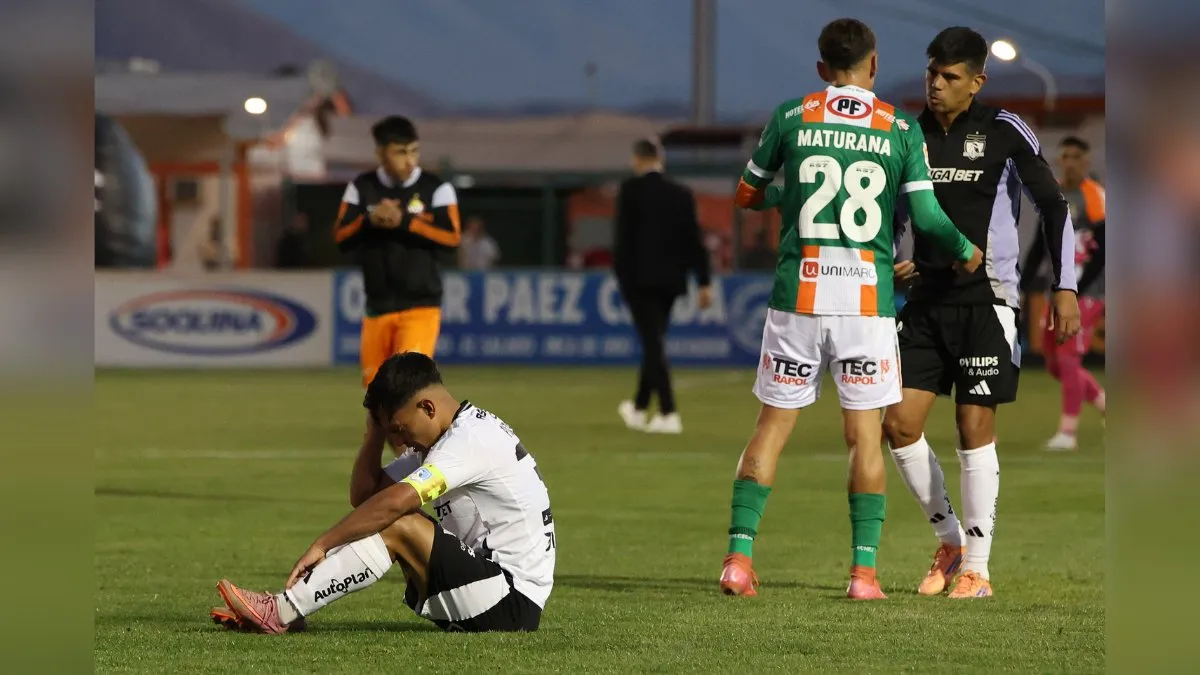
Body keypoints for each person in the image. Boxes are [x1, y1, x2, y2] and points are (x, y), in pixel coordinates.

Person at [719, 18, 983, 600]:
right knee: (865, 438)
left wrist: (789, 193)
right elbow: (931, 220)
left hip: (798, 299)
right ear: (875, 64)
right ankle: (863, 575)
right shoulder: (897, 127)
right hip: (865, 303)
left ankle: (738, 561)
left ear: (821, 69)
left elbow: (745, 195)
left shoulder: (792, 115)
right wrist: (967, 251)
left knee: (771, 429)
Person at [881, 27, 1082, 600]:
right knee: (897, 424)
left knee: (973, 428)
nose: (936, 86)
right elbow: (897, 213)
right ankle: (950, 541)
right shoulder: (907, 134)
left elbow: (1052, 205)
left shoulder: (1004, 130)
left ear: (976, 81)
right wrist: (902, 258)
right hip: (924, 303)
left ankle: (978, 568)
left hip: (986, 300)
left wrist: (1064, 286)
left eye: (949, 77)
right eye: (931, 74)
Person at [211, 352, 556, 634]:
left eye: (401, 430)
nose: (401, 443)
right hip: (490, 588)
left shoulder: (469, 441)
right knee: (385, 514)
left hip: (511, 602)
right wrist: (375, 430)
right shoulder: (444, 438)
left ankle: (281, 612)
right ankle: (290, 607)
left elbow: (393, 504)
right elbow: (365, 495)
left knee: (397, 520)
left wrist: (322, 544)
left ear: (428, 408)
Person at [334, 116, 462, 386]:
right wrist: (370, 220)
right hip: (377, 307)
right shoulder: (361, 187)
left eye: (414, 151)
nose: (410, 160)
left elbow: (452, 238)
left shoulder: (436, 189)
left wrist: (404, 221)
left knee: (407, 387)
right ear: (380, 152)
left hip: (421, 306)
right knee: (376, 395)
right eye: (400, 152)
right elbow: (341, 236)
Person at [613, 138, 713, 434]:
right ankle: (639, 407)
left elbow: (623, 241)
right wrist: (704, 281)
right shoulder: (681, 194)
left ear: (637, 159)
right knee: (654, 341)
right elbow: (694, 241)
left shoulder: (630, 191)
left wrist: (623, 280)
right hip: (672, 281)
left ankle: (669, 412)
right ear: (660, 159)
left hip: (640, 281)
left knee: (653, 343)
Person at [1021, 136, 1106, 450]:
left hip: (1087, 290)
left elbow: (1104, 249)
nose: (1069, 161)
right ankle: (1104, 403)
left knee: (1068, 358)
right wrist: (1025, 281)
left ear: (1085, 161)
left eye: (1075, 157)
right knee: (1053, 361)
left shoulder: (1093, 195)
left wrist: (1078, 290)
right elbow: (1039, 243)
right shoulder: (1052, 193)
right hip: (1057, 291)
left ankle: (1067, 433)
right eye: (1065, 156)